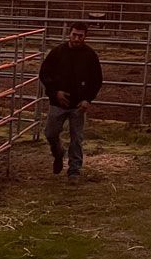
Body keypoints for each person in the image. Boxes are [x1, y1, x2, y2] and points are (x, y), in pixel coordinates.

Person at [37, 21, 103, 179]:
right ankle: (58, 152)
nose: (77, 38)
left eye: (80, 36)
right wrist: (55, 92)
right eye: (74, 35)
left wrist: (88, 99)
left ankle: (74, 168)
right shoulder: (57, 52)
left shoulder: (90, 55)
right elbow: (44, 74)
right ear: (69, 34)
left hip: (78, 104)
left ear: (85, 37)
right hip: (58, 102)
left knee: (76, 137)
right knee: (50, 133)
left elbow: (97, 79)